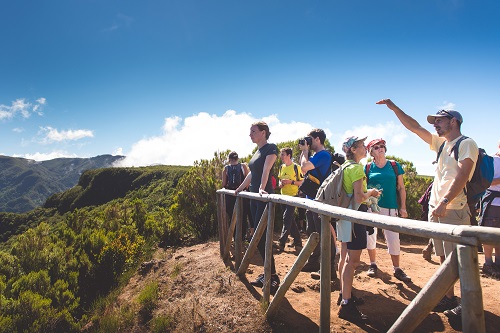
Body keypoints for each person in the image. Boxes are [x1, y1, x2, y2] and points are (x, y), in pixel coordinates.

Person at [377, 99, 478, 317]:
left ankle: (467, 306)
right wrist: (394, 108)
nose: (435, 124)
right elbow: (415, 128)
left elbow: (462, 175)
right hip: (438, 210)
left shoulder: (466, 143)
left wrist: (444, 202)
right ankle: (449, 298)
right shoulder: (441, 144)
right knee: (443, 257)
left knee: (458, 261)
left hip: (453, 209)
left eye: (439, 120)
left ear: (454, 121)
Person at [337, 136, 381, 323]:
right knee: (352, 262)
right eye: (362, 145)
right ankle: (346, 304)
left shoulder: (344, 167)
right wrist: (371, 193)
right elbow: (359, 197)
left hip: (344, 217)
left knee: (344, 256)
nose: (365, 148)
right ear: (353, 150)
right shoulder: (356, 168)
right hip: (355, 218)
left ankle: (343, 294)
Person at [235, 121, 280, 295]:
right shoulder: (257, 152)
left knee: (264, 236)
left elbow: (266, 169)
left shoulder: (271, 148)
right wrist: (239, 188)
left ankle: (273, 276)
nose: (250, 134)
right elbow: (253, 172)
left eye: (253, 131)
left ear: (263, 132)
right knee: (257, 236)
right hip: (254, 197)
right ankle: (268, 273)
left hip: (262, 197)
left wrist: (262, 188)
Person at [364, 138, 411, 282]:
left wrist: (403, 207)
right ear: (371, 151)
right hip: (372, 205)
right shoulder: (366, 167)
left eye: (382, 146)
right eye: (376, 147)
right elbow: (362, 187)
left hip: (391, 206)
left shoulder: (394, 165)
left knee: (393, 238)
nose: (380, 148)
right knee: (371, 236)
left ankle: (397, 268)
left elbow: (401, 187)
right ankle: (373, 264)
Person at [298, 129, 337, 280]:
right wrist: (305, 152)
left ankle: (328, 269)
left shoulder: (323, 155)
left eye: (310, 139)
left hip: (320, 201)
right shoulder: (314, 156)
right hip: (311, 199)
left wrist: (305, 152)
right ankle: (314, 262)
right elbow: (303, 171)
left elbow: (304, 168)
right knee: (312, 233)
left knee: (324, 235)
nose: (308, 141)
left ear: (318, 139)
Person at [478, 141, 500, 279]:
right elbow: (486, 181)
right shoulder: (491, 160)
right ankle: (488, 263)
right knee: (488, 233)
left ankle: (498, 264)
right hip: (492, 201)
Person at [277, 147, 304, 252]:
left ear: (289, 155)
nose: (281, 157)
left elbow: (301, 182)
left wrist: (291, 182)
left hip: (293, 196)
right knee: (290, 220)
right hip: (283, 196)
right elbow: (280, 180)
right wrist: (281, 184)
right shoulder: (281, 167)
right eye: (281, 154)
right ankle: (298, 242)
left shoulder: (296, 167)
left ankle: (281, 242)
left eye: (283, 154)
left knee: (286, 218)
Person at [221, 151, 250, 240]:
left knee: (232, 216)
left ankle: (233, 236)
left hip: (230, 195)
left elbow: (223, 183)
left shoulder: (226, 168)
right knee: (243, 215)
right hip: (242, 194)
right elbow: (247, 180)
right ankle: (242, 237)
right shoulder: (243, 166)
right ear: (237, 158)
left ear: (229, 159)